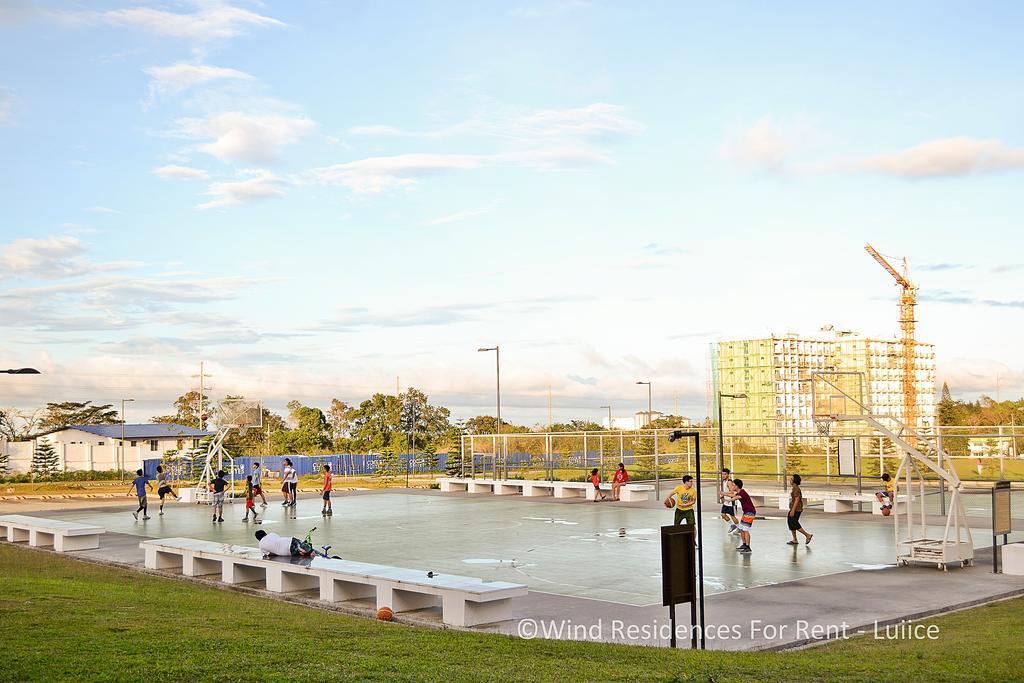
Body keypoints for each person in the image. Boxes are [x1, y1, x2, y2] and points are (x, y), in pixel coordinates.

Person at [724, 478, 755, 553]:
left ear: (737, 486)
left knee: (745, 529)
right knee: (741, 528)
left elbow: (734, 498)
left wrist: (727, 500)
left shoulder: (742, 493)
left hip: (750, 512)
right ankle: (744, 544)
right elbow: (732, 494)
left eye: (733, 485)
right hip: (746, 512)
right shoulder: (740, 492)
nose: (732, 486)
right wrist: (723, 493)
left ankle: (748, 546)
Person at [786, 474, 812, 546]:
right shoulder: (794, 488)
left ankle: (807, 535)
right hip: (794, 508)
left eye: (791, 479)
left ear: (794, 481)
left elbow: (797, 499)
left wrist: (793, 510)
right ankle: (795, 539)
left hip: (797, 509)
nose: (790, 480)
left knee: (794, 523)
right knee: (790, 522)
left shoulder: (796, 488)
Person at [718, 468, 739, 535]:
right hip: (726, 502)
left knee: (732, 516)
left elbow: (732, 492)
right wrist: (723, 496)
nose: (723, 475)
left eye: (725, 474)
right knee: (723, 514)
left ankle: (739, 528)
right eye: (722, 474)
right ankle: (732, 525)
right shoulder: (724, 481)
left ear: (728, 474)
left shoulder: (729, 482)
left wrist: (723, 493)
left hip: (731, 502)